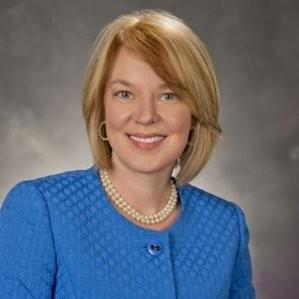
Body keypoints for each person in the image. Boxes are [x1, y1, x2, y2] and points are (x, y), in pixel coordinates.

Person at [0, 9, 255, 299]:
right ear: (102, 108)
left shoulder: (225, 225)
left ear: (196, 113)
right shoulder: (40, 210)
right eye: (125, 93)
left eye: (168, 95)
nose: (146, 116)